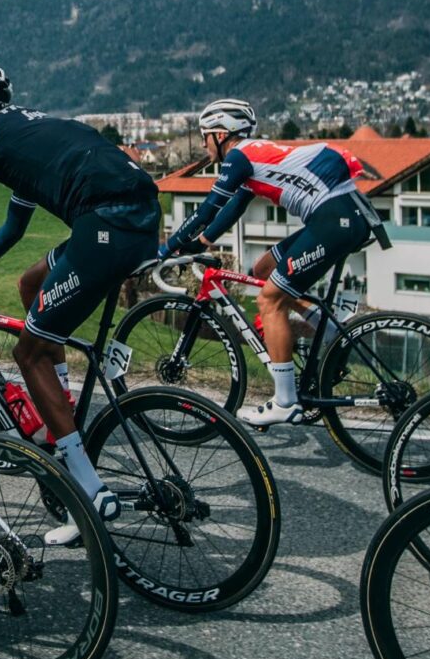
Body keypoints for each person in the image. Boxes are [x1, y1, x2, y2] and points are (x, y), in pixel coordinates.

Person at [0, 62, 158, 536]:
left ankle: (84, 489)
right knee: (30, 283)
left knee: (28, 352)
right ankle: (59, 401)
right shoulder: (27, 131)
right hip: (134, 222)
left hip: (106, 227)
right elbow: (13, 230)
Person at [159, 97, 377, 426]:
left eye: (205, 137)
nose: (204, 145)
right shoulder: (253, 154)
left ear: (221, 134)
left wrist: (165, 249)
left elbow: (208, 209)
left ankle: (285, 402)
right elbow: (234, 207)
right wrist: (201, 242)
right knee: (263, 270)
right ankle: (332, 332)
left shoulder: (238, 157)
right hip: (343, 213)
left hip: (336, 219)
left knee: (269, 300)